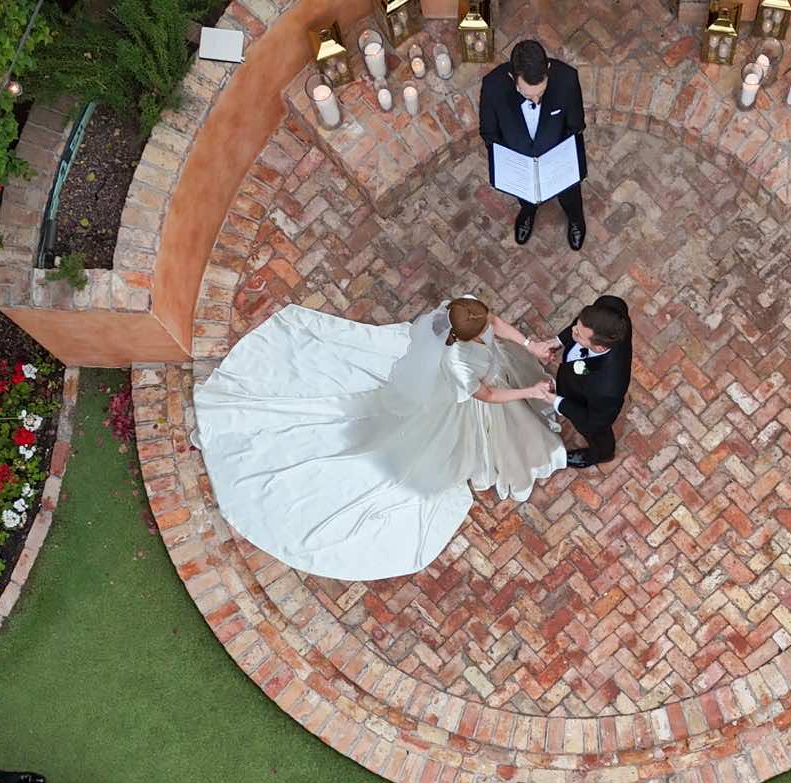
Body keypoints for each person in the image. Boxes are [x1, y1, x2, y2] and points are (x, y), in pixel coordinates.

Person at [194, 296, 565, 582]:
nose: (488, 325)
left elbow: (493, 322)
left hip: (491, 373)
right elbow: (489, 396)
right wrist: (529, 393)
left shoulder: (464, 309)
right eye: (481, 327)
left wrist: (529, 345)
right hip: (468, 403)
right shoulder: (458, 365)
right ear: (465, 338)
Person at [478, 36, 587, 249]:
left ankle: (575, 218)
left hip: (557, 157)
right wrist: (510, 162)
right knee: (525, 197)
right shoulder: (493, 86)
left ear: (548, 69)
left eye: (541, 93)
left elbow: (576, 125)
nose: (536, 101)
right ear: (512, 77)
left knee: (570, 195)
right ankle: (528, 211)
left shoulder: (567, 79)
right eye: (528, 95)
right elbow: (489, 133)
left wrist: (560, 159)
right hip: (520, 162)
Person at [530, 296, 633, 470]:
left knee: (596, 433)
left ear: (600, 347)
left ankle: (603, 454)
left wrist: (556, 401)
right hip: (575, 381)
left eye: (578, 334)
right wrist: (558, 341)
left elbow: (594, 422)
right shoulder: (610, 306)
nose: (573, 331)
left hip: (585, 404)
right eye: (576, 327)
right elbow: (581, 324)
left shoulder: (608, 388)